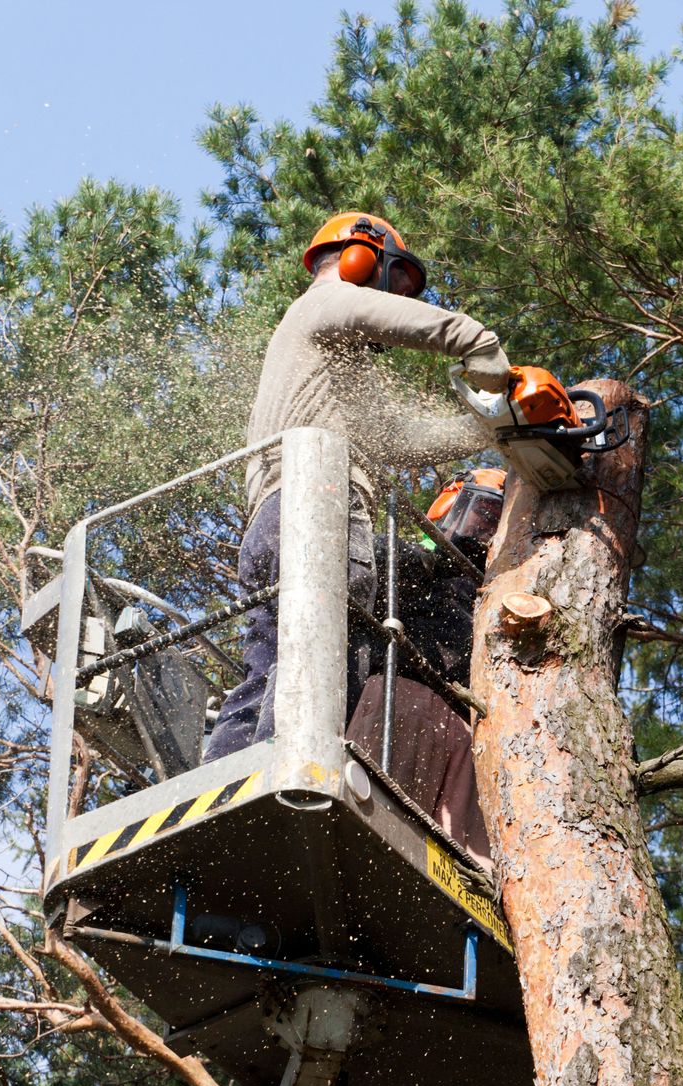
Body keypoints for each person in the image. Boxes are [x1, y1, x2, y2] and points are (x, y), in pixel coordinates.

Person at [202, 213, 510, 763]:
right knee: (331, 650)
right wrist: (483, 350)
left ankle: (230, 778)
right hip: (318, 511)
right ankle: (296, 762)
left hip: (271, 524)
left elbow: (403, 438)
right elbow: (419, 324)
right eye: (392, 279)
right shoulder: (322, 303)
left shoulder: (327, 368)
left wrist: (488, 426)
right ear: (358, 259)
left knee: (271, 659)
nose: (394, 295)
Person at [345, 468, 506, 873]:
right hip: (400, 704)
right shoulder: (400, 555)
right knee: (375, 832)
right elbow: (369, 565)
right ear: (448, 506)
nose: (484, 532)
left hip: (468, 736)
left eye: (496, 525)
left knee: (461, 868)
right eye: (482, 514)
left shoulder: (489, 600)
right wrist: (437, 561)